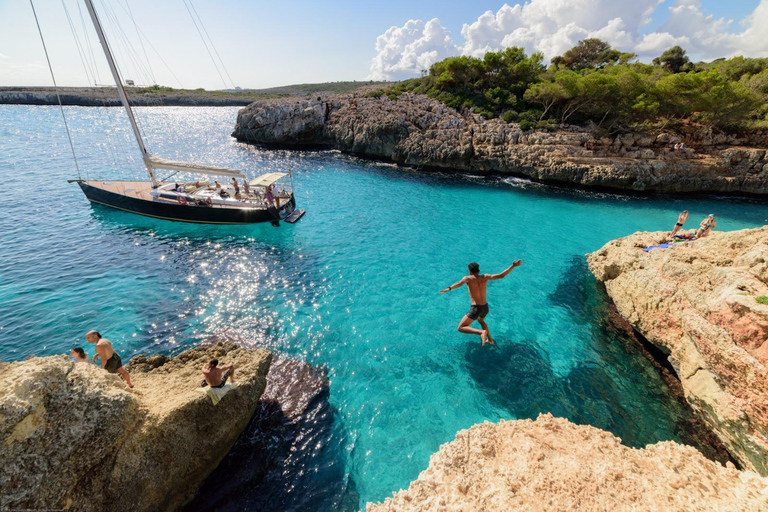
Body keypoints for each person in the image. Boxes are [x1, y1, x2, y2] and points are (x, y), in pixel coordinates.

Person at [440, 260, 523, 346]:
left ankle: (481, 332)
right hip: (485, 308)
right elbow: (501, 275)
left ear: (469, 271)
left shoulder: (467, 278)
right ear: (479, 271)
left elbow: (458, 284)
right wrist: (512, 266)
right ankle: (490, 340)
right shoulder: (485, 277)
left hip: (476, 308)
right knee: (481, 320)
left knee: (460, 327)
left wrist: (448, 288)